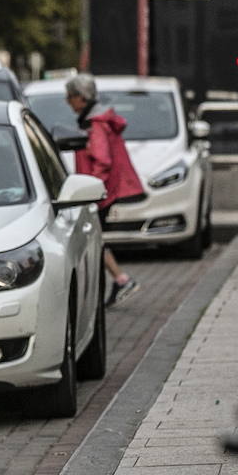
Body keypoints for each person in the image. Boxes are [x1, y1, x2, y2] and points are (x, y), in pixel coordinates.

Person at [65, 73, 145, 307]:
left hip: (99, 193)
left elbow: (102, 161)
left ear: (81, 97)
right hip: (103, 192)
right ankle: (120, 279)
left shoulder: (95, 124)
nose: (68, 102)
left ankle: (121, 279)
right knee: (96, 237)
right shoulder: (96, 119)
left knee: (93, 238)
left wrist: (91, 190)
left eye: (69, 97)